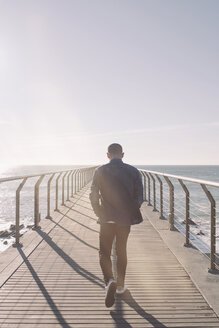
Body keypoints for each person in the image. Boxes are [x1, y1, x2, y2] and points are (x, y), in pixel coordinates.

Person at [89, 143, 143, 307]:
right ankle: (120, 286)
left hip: (106, 218)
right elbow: (139, 197)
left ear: (108, 155)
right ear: (123, 154)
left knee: (104, 252)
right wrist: (129, 211)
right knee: (121, 251)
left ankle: (109, 281)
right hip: (124, 220)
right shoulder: (134, 171)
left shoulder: (100, 171)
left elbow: (93, 194)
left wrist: (99, 212)